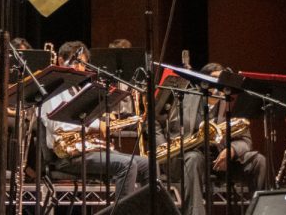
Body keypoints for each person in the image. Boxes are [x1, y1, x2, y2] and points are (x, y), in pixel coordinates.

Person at [40, 41, 151, 200]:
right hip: (69, 156)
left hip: (91, 148)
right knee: (127, 166)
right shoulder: (53, 91)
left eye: (82, 64)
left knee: (148, 165)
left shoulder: (80, 90)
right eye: (75, 62)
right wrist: (98, 125)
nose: (79, 68)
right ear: (60, 61)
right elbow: (60, 126)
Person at [161, 62, 267, 215]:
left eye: (222, 80)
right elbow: (170, 132)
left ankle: (262, 211)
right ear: (203, 82)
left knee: (259, 161)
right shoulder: (185, 100)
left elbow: (246, 141)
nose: (219, 85)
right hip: (194, 157)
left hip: (224, 159)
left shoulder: (230, 102)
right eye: (215, 80)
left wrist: (231, 150)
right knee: (192, 159)